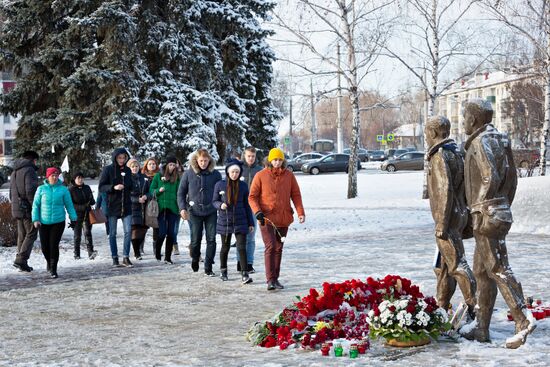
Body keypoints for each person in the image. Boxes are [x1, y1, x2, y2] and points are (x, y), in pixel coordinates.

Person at [459, 99, 535, 349]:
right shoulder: (499, 139)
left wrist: (483, 206)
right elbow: (512, 178)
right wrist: (503, 204)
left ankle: (523, 319)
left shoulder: (481, 142)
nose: (463, 121)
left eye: (465, 116)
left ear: (474, 119)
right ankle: (481, 327)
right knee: (482, 271)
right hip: (497, 210)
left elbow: (489, 174)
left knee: (497, 267)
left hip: (486, 214)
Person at [425, 116, 476, 320]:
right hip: (458, 214)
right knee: (443, 266)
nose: (426, 137)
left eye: (427, 132)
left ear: (434, 133)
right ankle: (442, 305)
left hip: (447, 218)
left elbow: (445, 189)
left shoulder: (439, 156)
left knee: (456, 264)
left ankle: (477, 306)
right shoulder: (456, 152)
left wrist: (442, 223)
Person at [249, 148, 305, 291]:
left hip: (283, 217)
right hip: (266, 218)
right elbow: (252, 196)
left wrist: (300, 212)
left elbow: (296, 195)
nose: (277, 162)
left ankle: (275, 278)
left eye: (280, 160)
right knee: (271, 246)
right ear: (269, 160)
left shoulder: (289, 176)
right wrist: (257, 212)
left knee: (279, 248)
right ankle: (269, 280)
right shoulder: (260, 175)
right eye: (275, 160)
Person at [178, 149, 222, 275]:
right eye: (201, 161)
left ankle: (208, 267)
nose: (203, 163)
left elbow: (221, 192)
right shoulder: (188, 173)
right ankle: (195, 258)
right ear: (196, 160)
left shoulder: (215, 174)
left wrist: (220, 204)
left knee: (211, 239)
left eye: (206, 161)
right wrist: (182, 208)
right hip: (194, 211)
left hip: (211, 211)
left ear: (209, 160)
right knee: (195, 240)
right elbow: (181, 193)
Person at [212, 159, 255, 284]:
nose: (234, 174)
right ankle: (223, 271)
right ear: (227, 172)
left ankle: (244, 273)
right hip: (225, 221)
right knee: (225, 247)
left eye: (237, 172)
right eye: (232, 172)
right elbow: (214, 201)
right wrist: (220, 205)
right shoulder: (220, 185)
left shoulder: (242, 186)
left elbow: (247, 205)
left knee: (242, 247)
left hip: (241, 221)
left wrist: (250, 222)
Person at [31, 167, 77, 278]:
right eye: (53, 175)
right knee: (45, 247)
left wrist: (73, 218)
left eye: (56, 175)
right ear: (48, 177)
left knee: (53, 246)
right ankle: (49, 262)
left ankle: (53, 269)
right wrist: (35, 219)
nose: (55, 177)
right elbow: (36, 205)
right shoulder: (41, 189)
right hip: (43, 222)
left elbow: (69, 205)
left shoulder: (63, 190)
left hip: (58, 222)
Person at [99, 147, 134, 267]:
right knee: (112, 233)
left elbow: (131, 186)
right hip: (112, 205)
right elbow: (101, 187)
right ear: (115, 157)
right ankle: (115, 257)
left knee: (128, 231)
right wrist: (113, 187)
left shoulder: (128, 170)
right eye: (119, 157)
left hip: (126, 205)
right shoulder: (107, 169)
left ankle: (126, 257)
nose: (122, 160)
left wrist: (129, 185)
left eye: (124, 157)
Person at [10, 150, 40, 272]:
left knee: (22, 235)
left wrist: (14, 205)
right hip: (26, 207)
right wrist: (35, 208)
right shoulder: (29, 170)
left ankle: (22, 262)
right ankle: (21, 259)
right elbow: (30, 191)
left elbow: (11, 192)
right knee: (32, 232)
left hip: (17, 207)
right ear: (33, 159)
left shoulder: (14, 171)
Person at [150, 155, 180, 264]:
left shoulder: (177, 177)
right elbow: (151, 190)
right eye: (170, 165)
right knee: (162, 233)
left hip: (173, 208)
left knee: (171, 233)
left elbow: (180, 192)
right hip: (161, 209)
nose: (172, 167)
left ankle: (168, 257)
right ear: (166, 165)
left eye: (173, 165)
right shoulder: (158, 176)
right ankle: (157, 252)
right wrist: (159, 190)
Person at [239, 146, 263, 273]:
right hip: (240, 207)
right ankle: (240, 262)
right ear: (245, 155)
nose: (251, 158)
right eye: (249, 156)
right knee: (240, 236)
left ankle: (249, 262)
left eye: (253, 156)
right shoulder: (239, 169)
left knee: (251, 236)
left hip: (254, 207)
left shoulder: (260, 170)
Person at [69, 172, 97, 260]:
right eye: (78, 178)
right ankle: (76, 253)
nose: (80, 180)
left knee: (88, 233)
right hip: (76, 215)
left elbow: (92, 201)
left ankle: (90, 252)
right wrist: (82, 207)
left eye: (81, 178)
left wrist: (91, 200)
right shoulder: (71, 190)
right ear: (74, 179)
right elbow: (71, 204)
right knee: (77, 235)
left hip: (87, 214)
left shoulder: (87, 187)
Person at [127, 158, 150, 260]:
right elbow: (126, 195)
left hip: (144, 207)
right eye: (132, 166)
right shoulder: (127, 178)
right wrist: (137, 199)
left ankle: (139, 248)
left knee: (143, 229)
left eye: (136, 166)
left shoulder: (144, 177)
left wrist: (146, 196)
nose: (135, 168)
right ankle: (137, 252)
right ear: (129, 168)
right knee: (134, 230)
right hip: (132, 207)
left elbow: (149, 191)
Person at [141, 157, 160, 255]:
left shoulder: (159, 175)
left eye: (153, 164)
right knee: (144, 226)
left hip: (157, 203)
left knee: (156, 226)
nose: (152, 165)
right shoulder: (142, 176)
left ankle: (156, 248)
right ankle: (140, 247)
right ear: (146, 165)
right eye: (150, 164)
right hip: (145, 203)